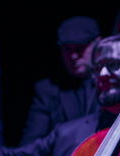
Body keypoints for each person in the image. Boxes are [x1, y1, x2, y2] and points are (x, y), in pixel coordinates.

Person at [21, 15, 102, 143]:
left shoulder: (111, 84)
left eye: (80, 48)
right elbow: (30, 144)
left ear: (98, 44)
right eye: (67, 49)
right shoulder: (47, 90)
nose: (73, 56)